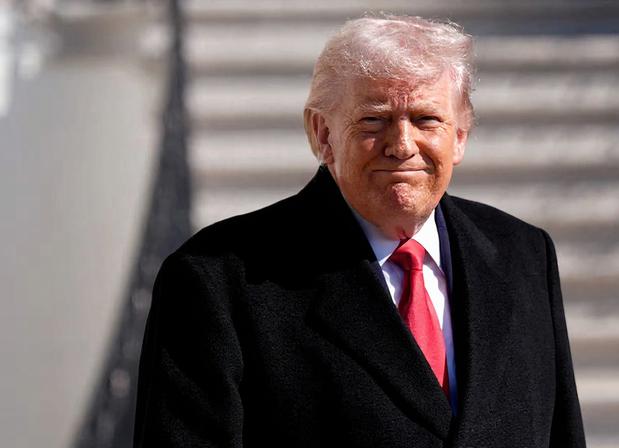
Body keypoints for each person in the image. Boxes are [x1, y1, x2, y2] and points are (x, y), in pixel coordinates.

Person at [134, 14, 586, 448]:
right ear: (322, 134)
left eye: (427, 120)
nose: (402, 145)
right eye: (375, 120)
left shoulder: (524, 256)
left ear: (461, 136)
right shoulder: (217, 280)